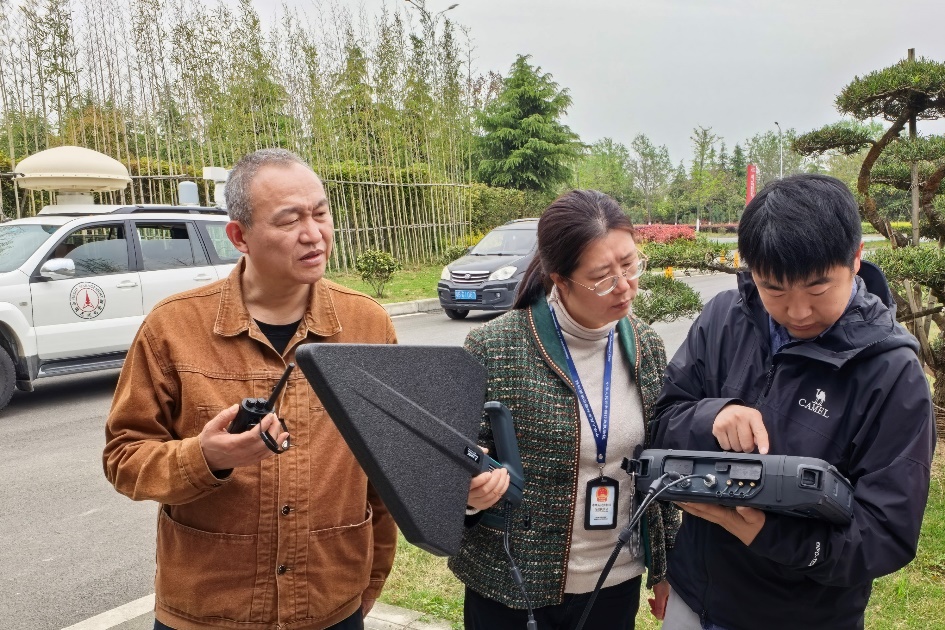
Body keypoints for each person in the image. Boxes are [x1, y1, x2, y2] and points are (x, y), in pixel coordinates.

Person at [103, 149, 398, 630]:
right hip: (208, 608)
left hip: (331, 603)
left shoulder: (368, 324)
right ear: (239, 236)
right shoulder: (172, 327)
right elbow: (124, 458)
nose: (314, 234)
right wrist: (207, 457)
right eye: (290, 220)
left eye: (321, 213)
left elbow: (386, 466)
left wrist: (371, 578)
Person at [652, 174, 936, 630]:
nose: (798, 312)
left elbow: (885, 534)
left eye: (818, 290)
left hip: (800, 615)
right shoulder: (724, 318)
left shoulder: (891, 374)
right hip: (694, 595)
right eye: (774, 290)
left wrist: (771, 535)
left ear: (856, 258)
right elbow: (663, 418)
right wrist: (713, 416)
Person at [448, 190, 680, 630]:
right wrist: (471, 494)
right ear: (560, 279)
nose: (625, 286)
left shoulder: (645, 345)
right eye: (603, 278)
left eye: (630, 265)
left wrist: (666, 570)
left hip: (614, 581)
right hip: (511, 586)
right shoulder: (495, 346)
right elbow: (454, 459)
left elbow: (658, 465)